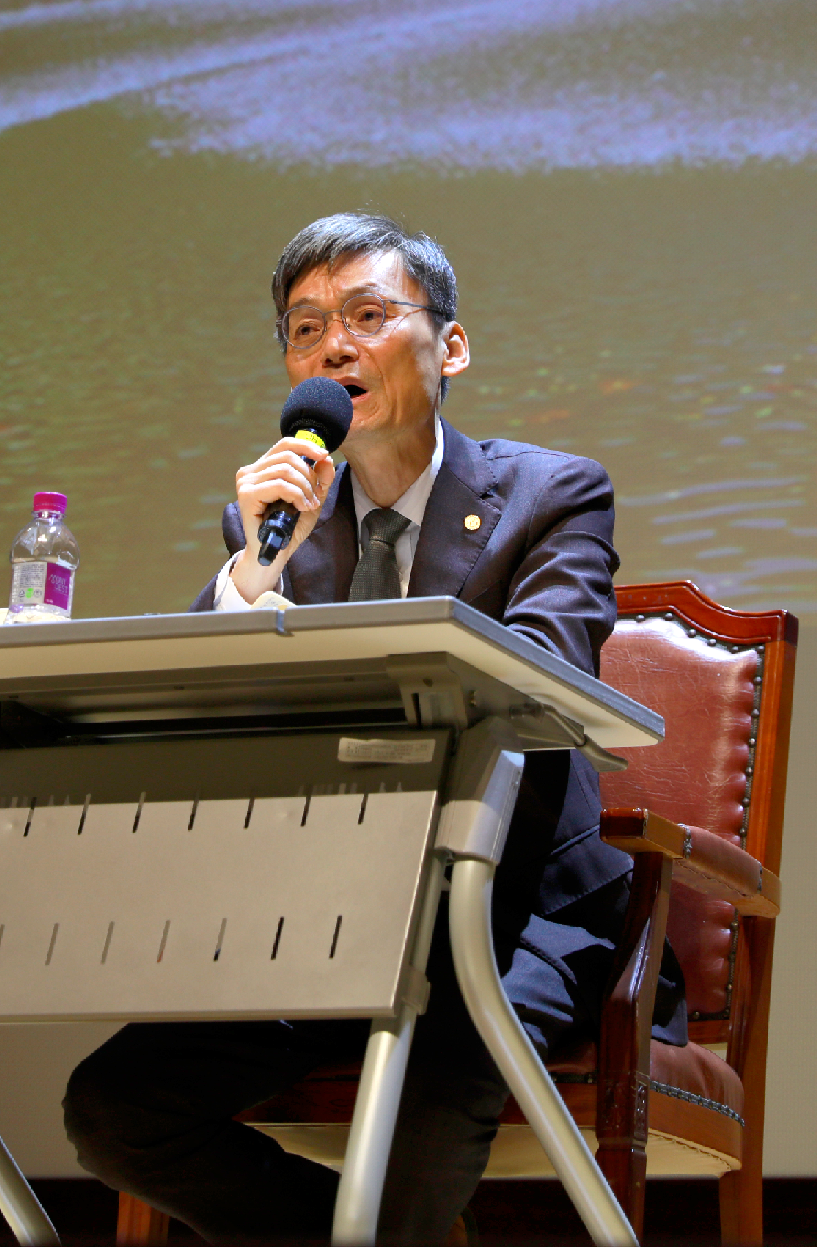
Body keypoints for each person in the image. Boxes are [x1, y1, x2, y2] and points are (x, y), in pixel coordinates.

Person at [63, 213, 685, 1242]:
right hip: (331, 917)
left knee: (434, 1085)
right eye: (305, 330)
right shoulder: (271, 528)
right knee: (115, 1109)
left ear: (451, 346)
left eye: (365, 316)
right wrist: (253, 574)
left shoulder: (551, 494)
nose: (332, 349)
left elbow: (549, 680)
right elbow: (210, 713)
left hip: (514, 914)